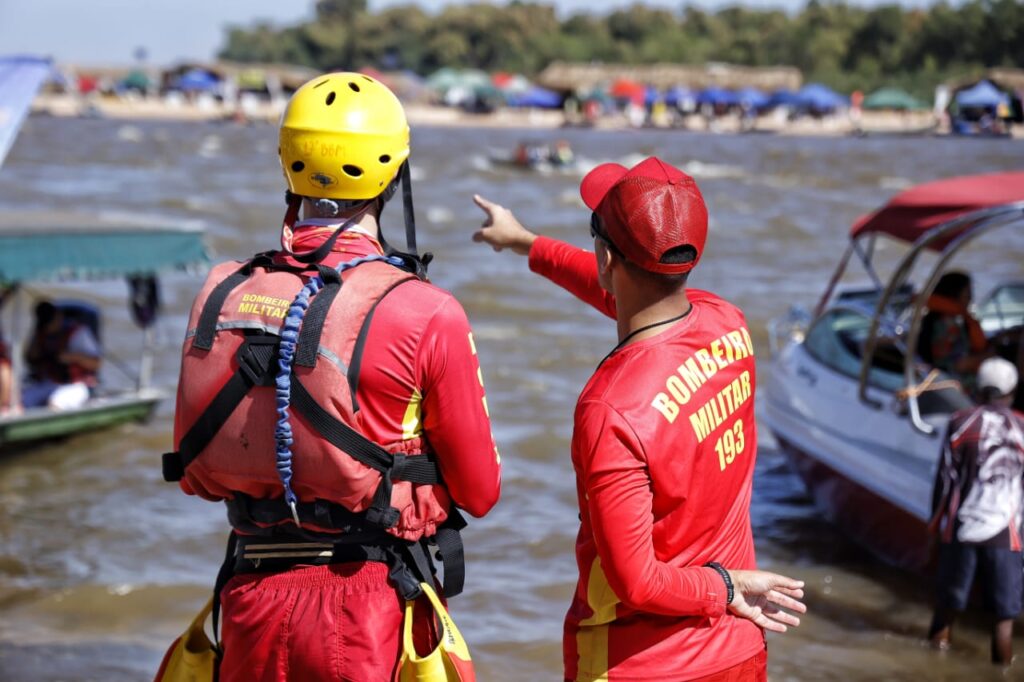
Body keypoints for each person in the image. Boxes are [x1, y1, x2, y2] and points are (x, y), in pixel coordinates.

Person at [166, 72, 501, 681]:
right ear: (393, 176)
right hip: (369, 607)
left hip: (249, 596)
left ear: (289, 167)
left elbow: (194, 467)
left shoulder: (225, 291)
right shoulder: (426, 310)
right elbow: (480, 492)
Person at [472, 157, 806, 680]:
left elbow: (637, 581)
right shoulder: (727, 323)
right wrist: (525, 243)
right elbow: (624, 294)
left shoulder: (611, 409)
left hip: (637, 663)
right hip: (739, 649)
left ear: (607, 257)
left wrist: (724, 587)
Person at [928, 356, 1024, 665]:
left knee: (946, 611)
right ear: (1011, 392)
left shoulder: (960, 421)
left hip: (962, 529)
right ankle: (1001, 673)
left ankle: (932, 669)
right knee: (1002, 620)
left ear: (978, 389)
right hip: (1007, 536)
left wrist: (934, 526)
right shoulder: (1022, 426)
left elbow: (945, 480)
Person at [22, 300, 101, 410]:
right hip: (48, 382)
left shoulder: (79, 334)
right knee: (20, 401)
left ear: (58, 317)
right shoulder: (41, 332)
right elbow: (30, 359)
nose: (47, 328)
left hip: (77, 384)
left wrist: (73, 357)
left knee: (54, 403)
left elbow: (96, 364)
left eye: (50, 323)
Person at [919, 271, 989, 389]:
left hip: (937, 378)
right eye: (968, 294)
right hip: (951, 385)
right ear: (954, 295)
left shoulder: (935, 318)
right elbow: (959, 364)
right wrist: (989, 356)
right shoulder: (950, 324)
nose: (971, 299)